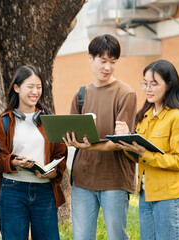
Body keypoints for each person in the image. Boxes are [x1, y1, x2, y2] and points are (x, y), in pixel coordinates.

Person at [63, 34, 137, 240]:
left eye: (113, 62)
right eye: (103, 61)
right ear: (90, 59)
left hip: (114, 180)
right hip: (83, 179)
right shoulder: (81, 95)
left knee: (116, 236)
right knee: (82, 237)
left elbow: (120, 142)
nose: (108, 67)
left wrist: (89, 147)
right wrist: (70, 139)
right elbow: (71, 132)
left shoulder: (126, 94)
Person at [115, 59, 179, 240]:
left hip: (169, 198)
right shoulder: (145, 115)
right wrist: (126, 141)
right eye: (145, 83)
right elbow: (139, 157)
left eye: (154, 84)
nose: (147, 89)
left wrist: (145, 154)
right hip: (146, 194)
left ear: (169, 85)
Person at [0, 65, 67, 240]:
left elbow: (60, 155)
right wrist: (14, 162)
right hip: (12, 192)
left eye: (39, 87)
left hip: (44, 192)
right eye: (30, 86)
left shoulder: (50, 119)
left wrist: (54, 171)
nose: (35, 92)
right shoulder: (4, 121)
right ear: (17, 88)